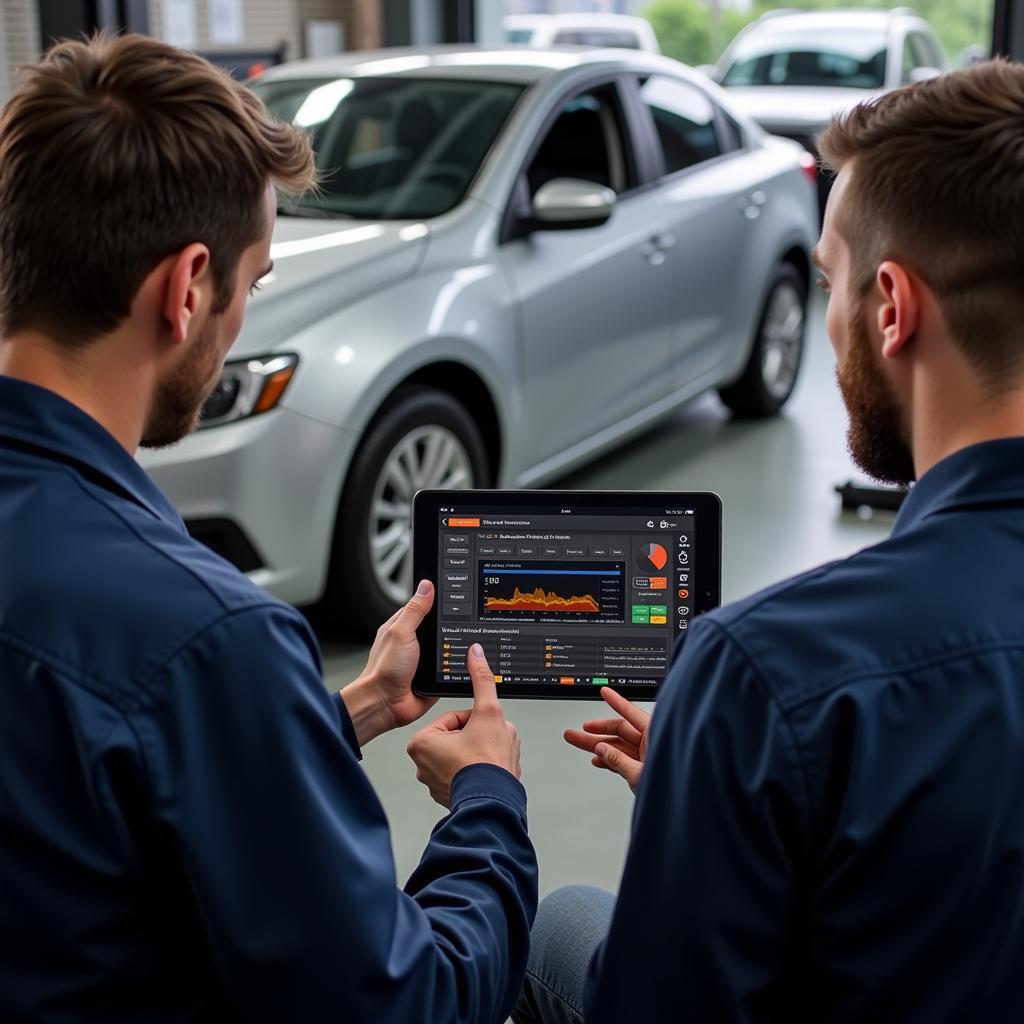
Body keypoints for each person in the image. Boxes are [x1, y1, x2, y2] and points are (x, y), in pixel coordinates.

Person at [0, 34, 536, 1022]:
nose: (243, 312)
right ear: (187, 286)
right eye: (254, 281)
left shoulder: (195, 660)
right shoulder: (208, 637)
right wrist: (490, 803)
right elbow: (410, 1004)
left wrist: (341, 715)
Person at [514, 58, 1024, 1023]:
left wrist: (728, 775)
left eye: (830, 283)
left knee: (563, 924)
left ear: (892, 308)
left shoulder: (765, 672)